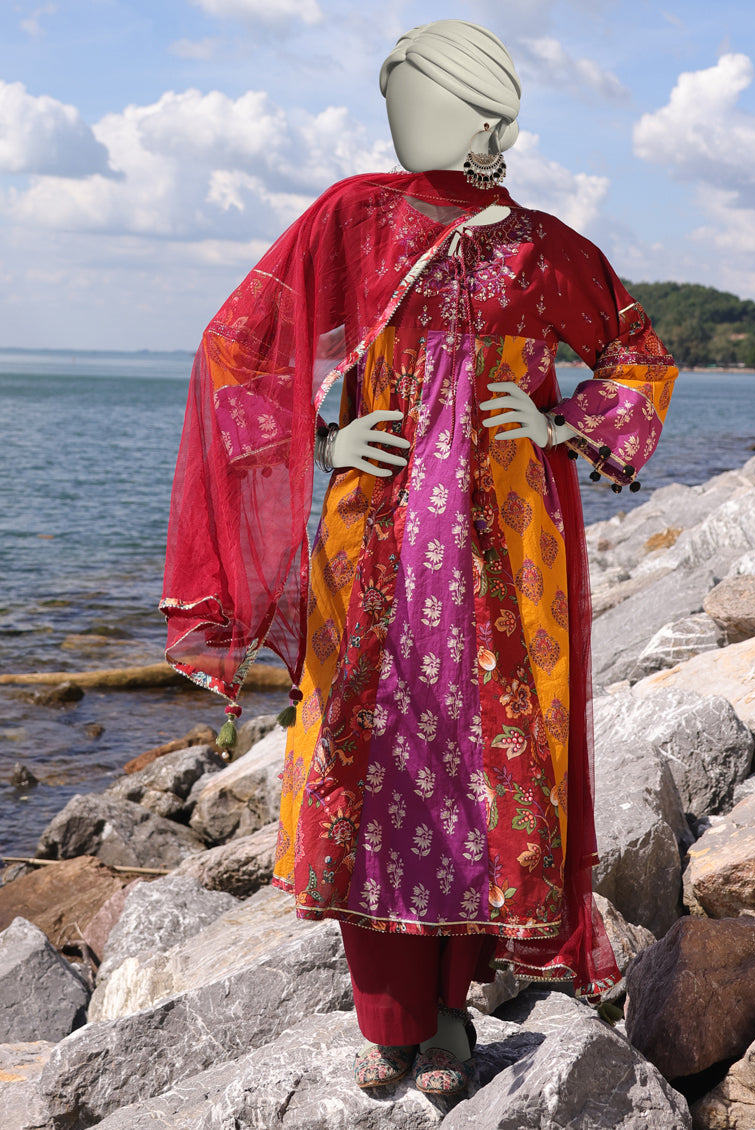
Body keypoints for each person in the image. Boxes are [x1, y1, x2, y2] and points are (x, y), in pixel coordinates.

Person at [161, 19, 677, 1099]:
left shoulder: (544, 250)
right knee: (368, 755)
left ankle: (448, 1016)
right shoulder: (352, 219)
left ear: (490, 121)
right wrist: (321, 439)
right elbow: (237, 348)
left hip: (510, 546)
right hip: (376, 535)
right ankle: (386, 1018)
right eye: (393, 100)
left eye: (420, 99)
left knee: (486, 760)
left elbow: (637, 356)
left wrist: (561, 425)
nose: (399, 120)